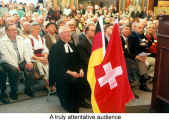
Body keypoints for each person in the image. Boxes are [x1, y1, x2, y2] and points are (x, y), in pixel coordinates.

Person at [49, 25, 85, 113]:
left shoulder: (72, 45)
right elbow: (57, 65)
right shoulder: (55, 48)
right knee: (72, 80)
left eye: (69, 32)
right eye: (67, 32)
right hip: (62, 73)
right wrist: (71, 73)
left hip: (74, 71)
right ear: (61, 35)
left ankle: (80, 101)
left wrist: (80, 69)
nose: (70, 34)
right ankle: (69, 104)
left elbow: (78, 60)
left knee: (84, 77)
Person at [0, 24, 35, 103]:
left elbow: (25, 51)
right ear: (6, 31)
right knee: (14, 70)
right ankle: (13, 91)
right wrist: (16, 66)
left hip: (20, 60)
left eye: (15, 30)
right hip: (7, 62)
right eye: (12, 30)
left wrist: (28, 61)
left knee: (30, 67)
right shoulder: (2, 41)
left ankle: (28, 88)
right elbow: (6, 56)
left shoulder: (20, 38)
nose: (15, 31)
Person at [128, 22, 155, 92]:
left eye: (142, 28)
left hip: (144, 54)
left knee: (154, 61)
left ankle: (149, 76)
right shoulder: (131, 36)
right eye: (139, 28)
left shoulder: (142, 35)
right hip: (135, 57)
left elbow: (149, 43)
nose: (141, 29)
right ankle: (143, 84)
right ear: (135, 28)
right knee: (142, 63)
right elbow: (130, 51)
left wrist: (145, 43)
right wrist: (140, 46)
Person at [26, 22, 49, 91]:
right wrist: (40, 59)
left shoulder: (41, 39)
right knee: (43, 65)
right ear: (31, 29)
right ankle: (49, 85)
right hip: (33, 59)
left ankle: (51, 84)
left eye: (39, 29)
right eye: (36, 29)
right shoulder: (28, 40)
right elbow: (29, 53)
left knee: (52, 63)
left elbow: (45, 49)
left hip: (42, 57)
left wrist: (45, 57)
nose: (38, 30)